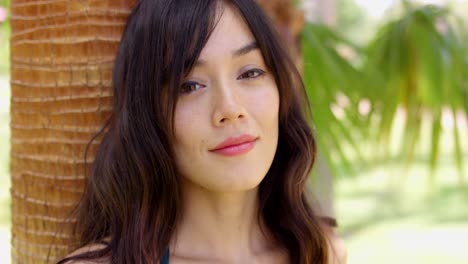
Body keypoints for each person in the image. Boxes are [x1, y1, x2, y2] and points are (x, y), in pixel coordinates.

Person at [57, 0, 347, 263]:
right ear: (148, 116)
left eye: (249, 73)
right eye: (190, 86)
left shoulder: (320, 252)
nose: (230, 108)